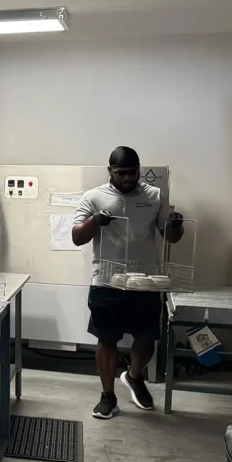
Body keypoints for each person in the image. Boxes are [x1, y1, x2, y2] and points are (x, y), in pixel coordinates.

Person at [71, 147, 183, 420]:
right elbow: (76, 237)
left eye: (132, 173)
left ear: (139, 170)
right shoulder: (93, 196)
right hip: (106, 281)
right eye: (121, 173)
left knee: (147, 338)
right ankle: (108, 395)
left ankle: (134, 376)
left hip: (145, 281)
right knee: (106, 339)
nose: (127, 178)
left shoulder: (155, 196)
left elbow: (171, 237)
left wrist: (176, 225)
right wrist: (94, 221)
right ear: (110, 171)